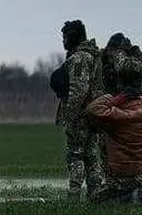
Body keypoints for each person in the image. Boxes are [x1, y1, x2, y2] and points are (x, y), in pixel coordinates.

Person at [58, 19, 105, 201]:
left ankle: (74, 195)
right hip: (95, 113)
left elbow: (78, 89)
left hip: (82, 115)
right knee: (93, 156)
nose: (63, 41)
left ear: (72, 37)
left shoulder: (79, 58)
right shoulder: (94, 55)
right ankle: (95, 196)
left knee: (76, 154)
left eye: (64, 37)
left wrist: (69, 115)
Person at [86, 65, 142, 204]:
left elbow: (92, 109)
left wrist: (116, 98)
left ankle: (130, 196)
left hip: (122, 176)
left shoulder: (115, 115)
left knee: (95, 199)